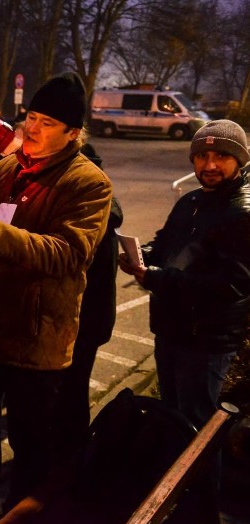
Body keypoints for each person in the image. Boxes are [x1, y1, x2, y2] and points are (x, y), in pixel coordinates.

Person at [0, 72, 113, 521]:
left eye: (47, 123)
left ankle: (23, 516)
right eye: (31, 117)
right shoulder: (10, 165)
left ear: (72, 133)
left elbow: (68, 254)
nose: (32, 129)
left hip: (32, 341)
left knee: (30, 442)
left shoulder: (89, 184)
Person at [119, 119, 250, 432]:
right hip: (172, 329)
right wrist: (143, 255)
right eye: (202, 157)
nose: (210, 165)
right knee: (173, 419)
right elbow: (165, 242)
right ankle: (175, 479)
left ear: (240, 160)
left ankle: (204, 482)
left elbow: (230, 284)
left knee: (199, 428)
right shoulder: (190, 200)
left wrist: (154, 278)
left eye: (221, 156)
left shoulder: (242, 212)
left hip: (206, 340)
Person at [55, 145, 124, 453]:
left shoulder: (92, 211)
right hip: (89, 318)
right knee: (72, 388)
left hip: (83, 319)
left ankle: (70, 455)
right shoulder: (104, 205)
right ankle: (71, 451)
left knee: (71, 390)